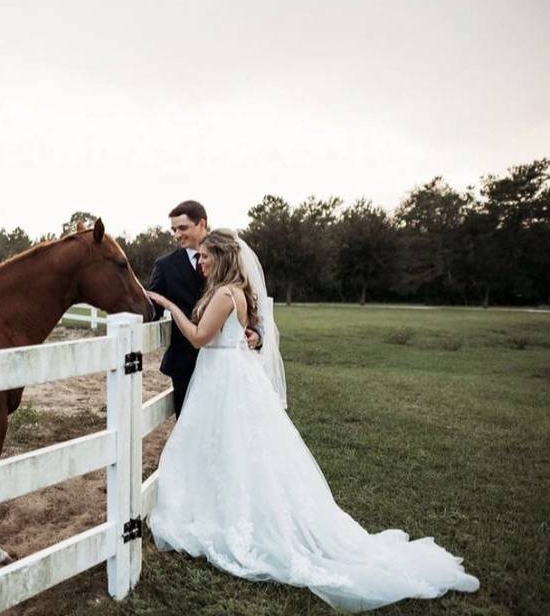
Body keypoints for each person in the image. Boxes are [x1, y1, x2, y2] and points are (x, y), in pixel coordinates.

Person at [145, 228, 479, 612]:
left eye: (205, 257)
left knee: (228, 445)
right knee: (232, 447)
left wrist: (171, 308)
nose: (199, 262)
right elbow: (244, 333)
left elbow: (200, 338)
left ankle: (230, 519)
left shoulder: (223, 294)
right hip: (229, 375)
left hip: (222, 376)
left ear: (221, 256)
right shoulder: (234, 291)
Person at [147, 201, 261, 418]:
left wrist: (256, 332)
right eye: (173, 229)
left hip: (226, 367)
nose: (177, 234)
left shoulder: (231, 261)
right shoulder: (165, 266)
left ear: (202, 223)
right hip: (185, 364)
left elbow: (252, 303)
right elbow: (153, 309)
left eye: (182, 228)